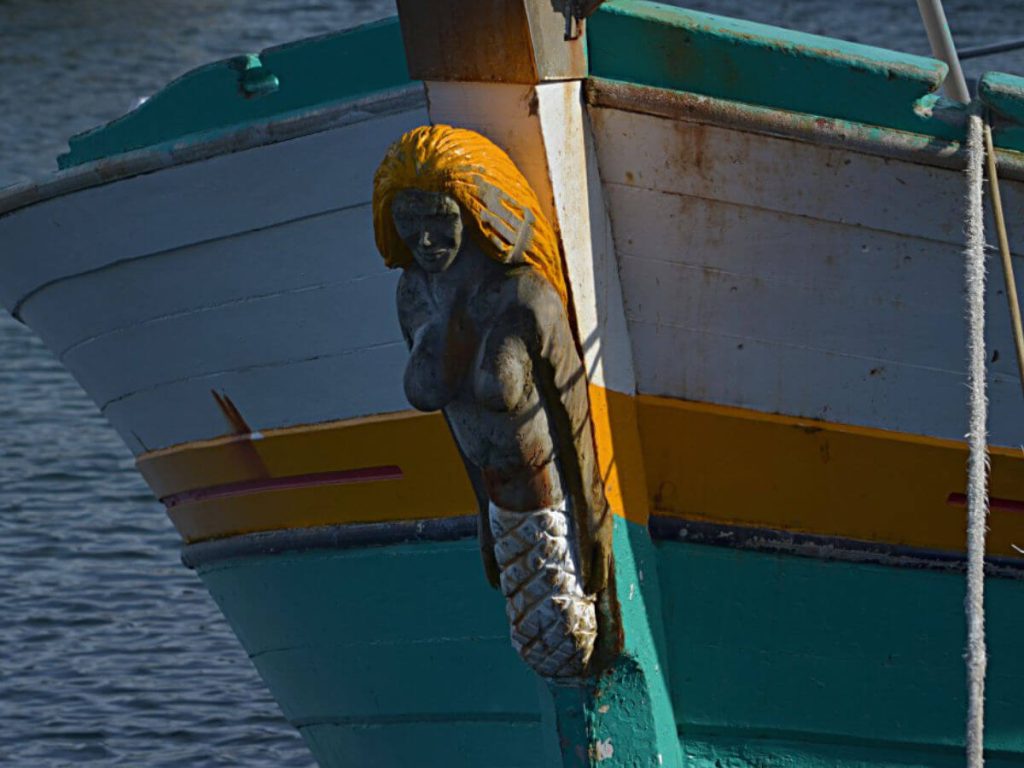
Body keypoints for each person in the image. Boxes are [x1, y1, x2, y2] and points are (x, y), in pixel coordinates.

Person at [372, 124, 613, 678]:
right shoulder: (414, 296)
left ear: (474, 211)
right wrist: (482, 515)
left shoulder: (525, 297)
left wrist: (594, 518)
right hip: (506, 521)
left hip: (553, 515)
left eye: (440, 220)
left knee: (564, 643)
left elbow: (572, 412)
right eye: (409, 222)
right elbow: (455, 419)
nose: (425, 240)